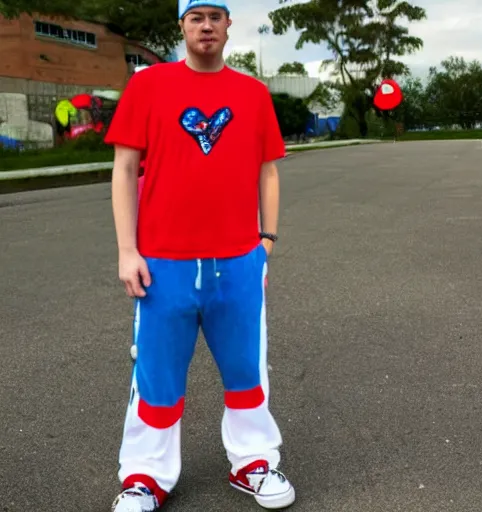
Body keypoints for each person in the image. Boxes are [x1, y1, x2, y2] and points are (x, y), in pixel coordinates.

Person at [104, 0, 295, 511]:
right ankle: (145, 476)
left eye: (215, 16)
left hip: (237, 261)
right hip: (163, 263)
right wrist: (128, 252)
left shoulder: (252, 94)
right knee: (156, 376)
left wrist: (266, 243)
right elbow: (125, 169)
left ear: (229, 25)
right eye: (196, 17)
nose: (206, 25)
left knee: (246, 370)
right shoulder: (147, 86)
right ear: (182, 26)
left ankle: (253, 461)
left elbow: (268, 171)